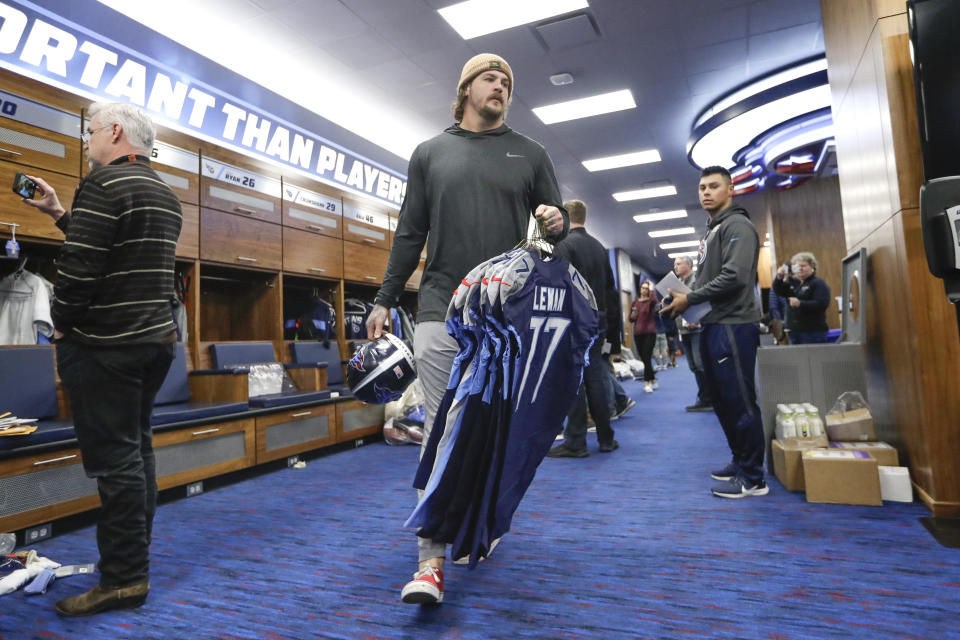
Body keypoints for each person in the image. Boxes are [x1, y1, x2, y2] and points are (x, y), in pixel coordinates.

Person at [364, 53, 568, 605]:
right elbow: (410, 232)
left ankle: (483, 518)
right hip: (439, 308)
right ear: (465, 89)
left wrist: (556, 222)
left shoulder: (530, 153)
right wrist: (385, 299)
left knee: (495, 426)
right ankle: (429, 561)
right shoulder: (430, 154)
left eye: (507, 80)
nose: (501, 85)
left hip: (502, 315)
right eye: (490, 78)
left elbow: (556, 231)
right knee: (441, 425)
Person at [20, 103, 182, 614]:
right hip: (154, 344)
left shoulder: (103, 185)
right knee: (137, 455)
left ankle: (124, 579)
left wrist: (61, 324)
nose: (87, 142)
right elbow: (117, 255)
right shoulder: (164, 193)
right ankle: (133, 559)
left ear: (115, 131)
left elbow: (81, 268)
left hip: (107, 348)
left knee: (117, 465)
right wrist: (59, 215)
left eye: (90, 132)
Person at [661, 166, 766, 499]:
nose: (706, 192)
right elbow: (711, 280)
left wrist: (690, 297)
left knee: (741, 400)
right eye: (702, 187)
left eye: (714, 186)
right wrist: (686, 302)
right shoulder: (713, 230)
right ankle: (740, 461)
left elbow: (735, 276)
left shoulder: (738, 225)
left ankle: (753, 478)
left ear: (730, 190)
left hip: (734, 324)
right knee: (723, 401)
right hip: (713, 322)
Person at [547, 199, 620, 458]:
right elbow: (612, 294)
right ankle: (606, 438)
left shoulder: (564, 246)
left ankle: (576, 442)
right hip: (598, 320)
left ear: (565, 216)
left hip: (573, 320)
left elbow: (559, 288)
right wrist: (615, 336)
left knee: (574, 380)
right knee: (597, 377)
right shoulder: (600, 248)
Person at [673, 255, 711, 412]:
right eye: (674, 264)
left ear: (688, 265)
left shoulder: (697, 280)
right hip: (684, 330)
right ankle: (704, 397)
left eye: (678, 263)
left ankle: (709, 398)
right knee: (694, 366)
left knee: (700, 364)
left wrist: (698, 319)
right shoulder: (678, 284)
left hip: (697, 328)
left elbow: (703, 302)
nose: (675, 266)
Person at [772, 252, 831, 344]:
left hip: (812, 333)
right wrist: (779, 276)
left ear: (812, 267)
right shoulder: (796, 284)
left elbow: (822, 304)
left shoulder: (818, 283)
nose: (800, 269)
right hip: (795, 332)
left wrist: (800, 303)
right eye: (797, 266)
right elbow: (779, 291)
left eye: (803, 266)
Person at [629, 281, 658, 393]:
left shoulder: (650, 302)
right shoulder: (634, 303)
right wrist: (633, 315)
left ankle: (646, 383)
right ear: (640, 289)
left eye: (646, 288)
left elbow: (655, 300)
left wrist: (652, 289)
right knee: (644, 358)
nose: (644, 290)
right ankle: (653, 379)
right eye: (643, 288)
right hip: (638, 333)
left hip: (650, 333)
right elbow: (630, 319)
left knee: (646, 357)